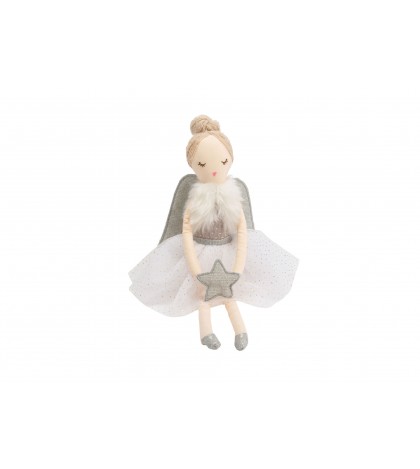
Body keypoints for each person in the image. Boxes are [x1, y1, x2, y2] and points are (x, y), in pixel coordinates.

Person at [129, 115, 298, 351]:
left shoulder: (234, 197)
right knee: (203, 296)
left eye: (223, 161)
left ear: (230, 159)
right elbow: (186, 234)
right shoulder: (193, 200)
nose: (215, 169)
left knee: (230, 294)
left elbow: (242, 232)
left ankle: (240, 331)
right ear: (193, 165)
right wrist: (196, 272)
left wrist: (237, 269)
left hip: (227, 251)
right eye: (202, 164)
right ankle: (206, 333)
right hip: (199, 252)